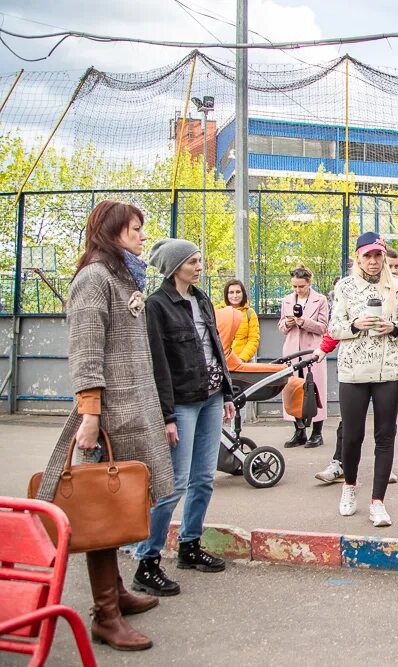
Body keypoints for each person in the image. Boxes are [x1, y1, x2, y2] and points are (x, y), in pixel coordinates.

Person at [35, 201, 174, 651]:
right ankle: (105, 616)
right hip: (108, 416)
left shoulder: (120, 276)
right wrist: (90, 415)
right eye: (135, 228)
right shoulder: (94, 278)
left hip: (130, 411)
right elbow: (86, 352)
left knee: (116, 506)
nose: (140, 236)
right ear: (113, 231)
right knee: (101, 510)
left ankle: (116, 594)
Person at [134, 239, 236, 596]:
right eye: (192, 261)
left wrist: (226, 393)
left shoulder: (202, 299)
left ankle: (189, 546)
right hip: (181, 403)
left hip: (210, 399)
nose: (198, 266)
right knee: (174, 482)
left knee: (204, 477)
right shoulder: (157, 306)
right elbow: (157, 365)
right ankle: (147, 560)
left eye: (199, 260)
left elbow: (215, 350)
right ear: (175, 266)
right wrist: (167, 416)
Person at [318, 232, 398, 527]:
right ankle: (349, 486)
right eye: (367, 256)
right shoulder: (344, 288)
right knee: (353, 435)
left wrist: (393, 327)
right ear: (358, 259)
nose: (373, 262)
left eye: (377, 256)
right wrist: (355, 324)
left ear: (384, 257)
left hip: (388, 370)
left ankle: (378, 502)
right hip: (354, 371)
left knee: (385, 435)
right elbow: (333, 328)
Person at [278, 264, 329, 448]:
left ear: (309, 283)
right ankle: (299, 431)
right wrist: (289, 322)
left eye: (301, 286)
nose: (297, 289)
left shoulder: (320, 300)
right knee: (293, 389)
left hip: (313, 351)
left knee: (314, 391)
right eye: (294, 286)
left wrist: (303, 322)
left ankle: (317, 432)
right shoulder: (287, 300)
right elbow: (281, 327)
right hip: (292, 350)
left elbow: (323, 327)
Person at [218, 279, 259, 362]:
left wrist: (242, 359)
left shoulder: (250, 313)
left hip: (244, 361)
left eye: (238, 292)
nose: (235, 295)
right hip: (222, 360)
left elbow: (253, 339)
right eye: (231, 292)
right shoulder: (217, 311)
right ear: (226, 294)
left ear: (243, 293)